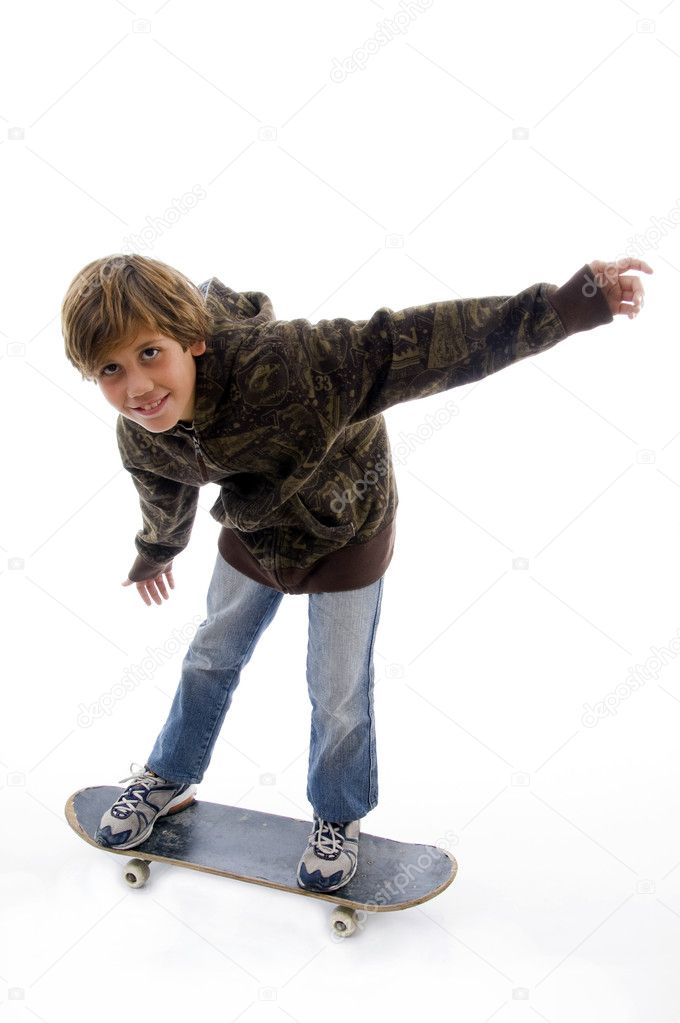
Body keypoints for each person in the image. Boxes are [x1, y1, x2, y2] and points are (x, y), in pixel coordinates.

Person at [60, 253, 652, 893]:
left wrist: (563, 308)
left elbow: (417, 343)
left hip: (347, 524)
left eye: (150, 354)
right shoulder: (141, 433)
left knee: (336, 686)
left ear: (193, 340)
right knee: (211, 652)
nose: (137, 389)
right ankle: (170, 774)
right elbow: (164, 487)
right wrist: (159, 548)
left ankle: (338, 814)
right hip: (257, 532)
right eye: (111, 371)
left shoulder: (294, 364)